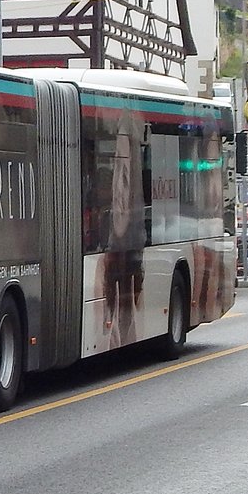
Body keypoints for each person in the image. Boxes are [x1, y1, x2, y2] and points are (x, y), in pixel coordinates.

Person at [97, 111, 145, 349]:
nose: (118, 192)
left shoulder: (134, 256)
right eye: (117, 169)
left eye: (125, 177)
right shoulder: (103, 260)